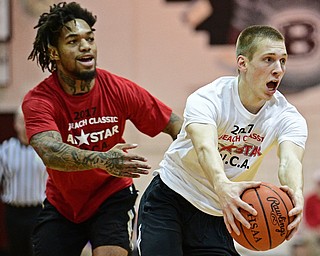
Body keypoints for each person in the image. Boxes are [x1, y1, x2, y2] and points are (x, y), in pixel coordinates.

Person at [22, 2, 182, 256]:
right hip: (63, 203)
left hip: (112, 196)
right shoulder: (40, 99)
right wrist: (104, 160)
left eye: (90, 38)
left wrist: (201, 154)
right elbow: (49, 150)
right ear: (54, 52)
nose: (86, 46)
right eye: (73, 41)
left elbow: (175, 124)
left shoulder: (118, 88)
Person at [137, 25, 308, 256]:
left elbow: (290, 162)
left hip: (218, 213)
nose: (278, 69)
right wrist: (222, 185)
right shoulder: (208, 98)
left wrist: (295, 193)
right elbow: (205, 147)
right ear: (242, 63)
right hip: (171, 198)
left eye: (283, 61)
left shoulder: (288, 117)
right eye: (268, 59)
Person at [0, 106, 47, 256]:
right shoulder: (5, 149)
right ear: (15, 124)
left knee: (38, 251)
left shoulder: (46, 150)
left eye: (29, 120)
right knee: (17, 251)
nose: (26, 125)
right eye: (22, 121)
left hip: (39, 211)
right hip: (14, 213)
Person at [303, 171, 320, 256]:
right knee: (309, 238)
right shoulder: (310, 199)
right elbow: (308, 218)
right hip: (313, 230)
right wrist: (316, 229)